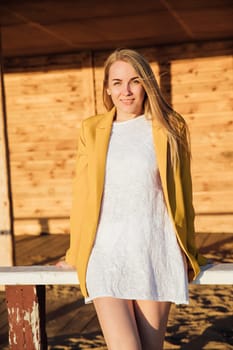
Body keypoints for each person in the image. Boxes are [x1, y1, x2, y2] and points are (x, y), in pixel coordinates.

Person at [59, 48, 208, 350]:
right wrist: (75, 252)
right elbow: (82, 194)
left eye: (134, 81)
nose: (125, 91)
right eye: (116, 82)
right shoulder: (92, 129)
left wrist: (189, 252)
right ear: (107, 88)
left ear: (147, 84)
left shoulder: (170, 127)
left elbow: (183, 197)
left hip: (155, 250)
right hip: (106, 253)